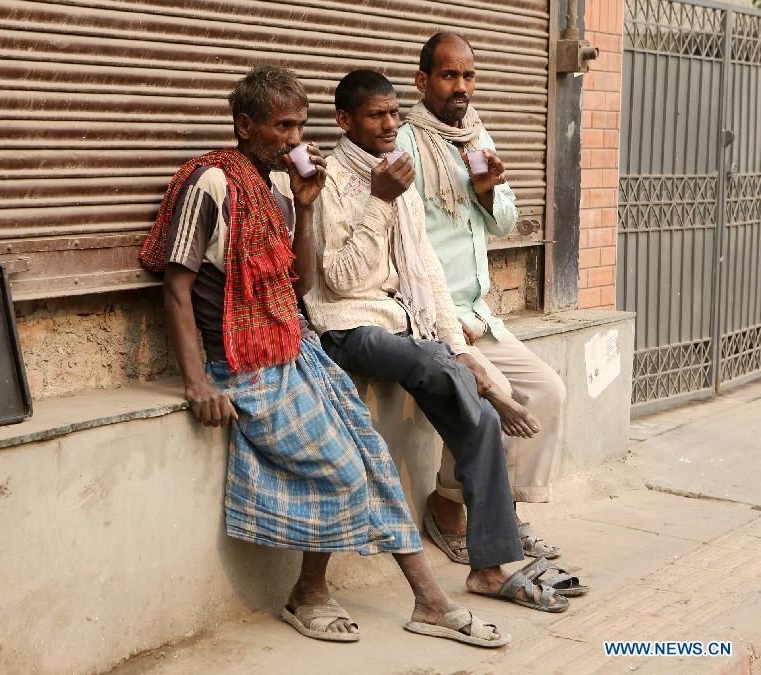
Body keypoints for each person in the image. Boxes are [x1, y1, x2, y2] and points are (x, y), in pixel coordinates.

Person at [139, 65, 514, 648]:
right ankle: (309, 593)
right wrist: (197, 384)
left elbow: (301, 283)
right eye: (282, 127)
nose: (294, 140)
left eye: (298, 126)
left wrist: (308, 208)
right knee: (342, 467)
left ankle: (430, 604)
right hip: (241, 364)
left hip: (293, 347)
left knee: (372, 456)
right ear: (244, 125)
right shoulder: (209, 183)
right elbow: (176, 286)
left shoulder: (282, 190)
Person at [305, 68, 567, 613]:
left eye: (394, 114)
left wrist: (464, 349)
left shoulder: (396, 180)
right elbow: (340, 281)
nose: (389, 124)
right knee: (458, 379)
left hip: (403, 324)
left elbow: (430, 277)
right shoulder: (329, 181)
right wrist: (377, 202)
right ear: (343, 119)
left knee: (478, 412)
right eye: (376, 115)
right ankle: (484, 391)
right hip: (348, 326)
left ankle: (490, 566)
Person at [396, 33, 568, 564]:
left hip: (478, 314)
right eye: (449, 75)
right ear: (422, 81)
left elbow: (508, 221)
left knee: (547, 392)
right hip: (429, 316)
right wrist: (446, 323)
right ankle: (451, 513)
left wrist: (490, 189)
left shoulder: (476, 135)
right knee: (487, 402)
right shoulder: (402, 144)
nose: (461, 87)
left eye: (469, 76)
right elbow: (398, 238)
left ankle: (503, 514)